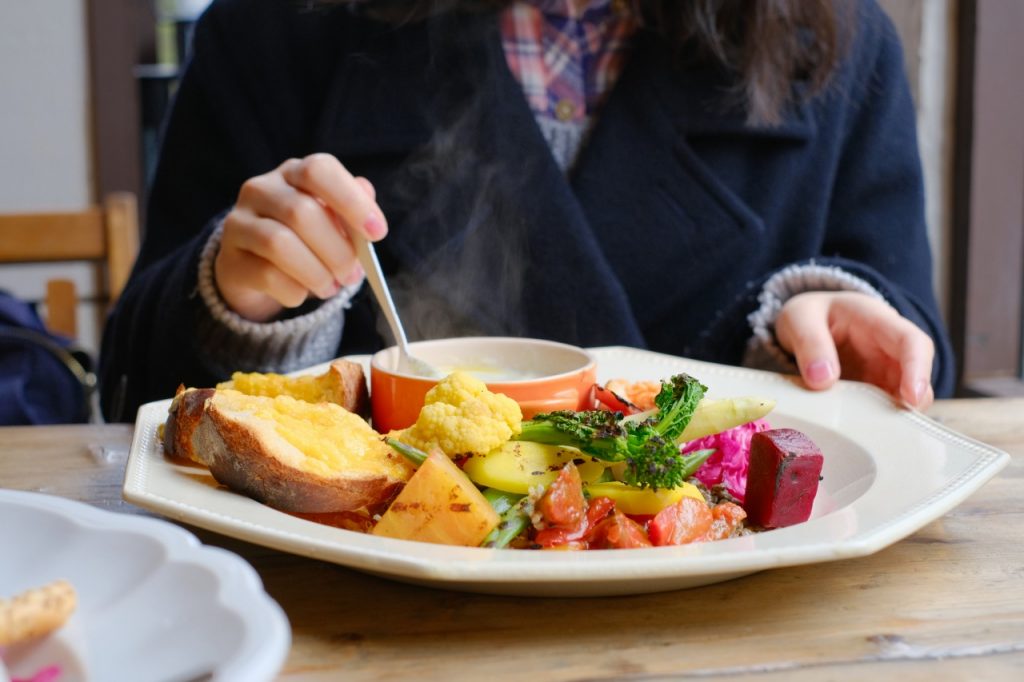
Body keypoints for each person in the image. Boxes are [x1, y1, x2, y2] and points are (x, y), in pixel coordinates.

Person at [98, 0, 953, 422]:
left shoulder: (835, 41)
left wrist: (824, 317)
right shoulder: (275, 29)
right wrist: (235, 301)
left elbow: (912, 359)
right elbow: (132, 388)